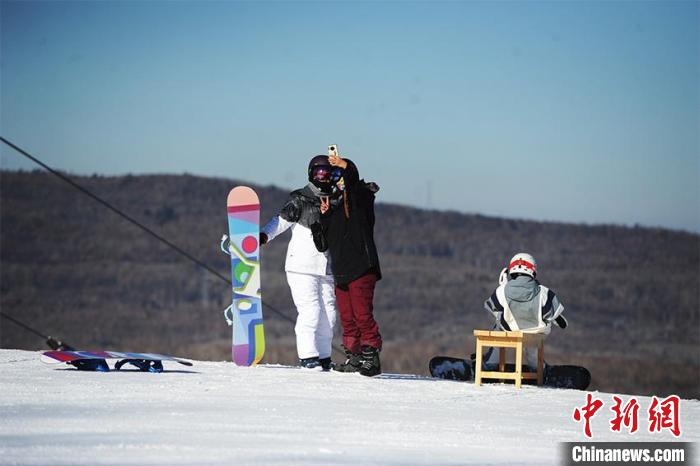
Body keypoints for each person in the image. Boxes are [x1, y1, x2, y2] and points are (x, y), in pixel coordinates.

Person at [259, 155, 338, 370]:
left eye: (327, 172)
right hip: (302, 266)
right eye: (318, 172)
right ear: (311, 173)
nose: (322, 176)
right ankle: (308, 356)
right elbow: (280, 222)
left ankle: (324, 356)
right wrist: (264, 236)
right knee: (310, 311)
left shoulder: (337, 200)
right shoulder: (301, 199)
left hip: (328, 267)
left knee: (329, 314)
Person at [316, 153, 382, 377]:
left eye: (340, 177)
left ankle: (371, 357)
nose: (338, 183)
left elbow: (353, 183)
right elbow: (325, 242)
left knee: (362, 315)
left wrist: (344, 165)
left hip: (362, 267)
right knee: (347, 316)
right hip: (343, 270)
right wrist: (324, 217)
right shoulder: (334, 210)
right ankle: (354, 357)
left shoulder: (359, 200)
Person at [483, 252, 567, 371]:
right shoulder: (544, 292)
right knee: (532, 345)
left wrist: (503, 286)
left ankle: (489, 364)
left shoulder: (502, 290)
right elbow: (554, 315)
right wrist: (560, 321)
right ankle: (538, 368)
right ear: (533, 270)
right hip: (535, 333)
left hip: (510, 331)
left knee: (498, 329)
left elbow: (492, 308)